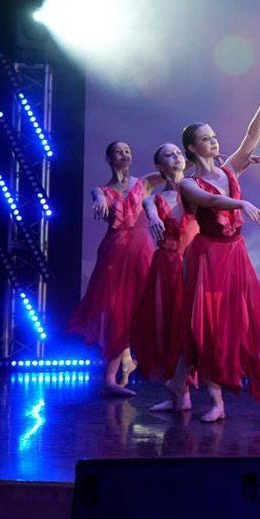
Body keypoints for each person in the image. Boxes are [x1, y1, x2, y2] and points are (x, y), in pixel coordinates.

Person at [164, 82, 260, 422]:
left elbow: (251, 138)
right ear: (192, 148)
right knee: (208, 327)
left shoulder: (229, 170)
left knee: (227, 325)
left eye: (214, 136)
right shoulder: (188, 183)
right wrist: (241, 202)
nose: (213, 141)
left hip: (234, 256)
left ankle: (177, 385)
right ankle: (215, 401)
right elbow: (210, 201)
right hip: (207, 259)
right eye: (205, 138)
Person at [67, 141, 156, 396]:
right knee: (117, 309)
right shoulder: (102, 190)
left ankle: (134, 361)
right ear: (109, 158)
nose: (124, 154)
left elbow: (176, 169)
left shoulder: (144, 182)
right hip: (115, 250)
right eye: (119, 151)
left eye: (127, 151)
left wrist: (203, 161)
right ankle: (110, 378)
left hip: (141, 248)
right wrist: (99, 199)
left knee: (143, 306)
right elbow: (97, 195)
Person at [129, 142, 200, 409]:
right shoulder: (155, 199)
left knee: (193, 327)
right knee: (169, 326)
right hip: (168, 266)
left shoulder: (197, 189)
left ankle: (184, 389)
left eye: (179, 153)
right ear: (159, 166)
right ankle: (180, 396)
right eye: (169, 155)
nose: (176, 156)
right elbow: (149, 207)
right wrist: (154, 217)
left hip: (194, 264)